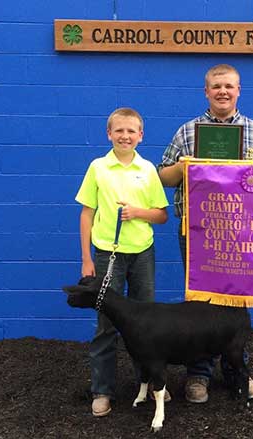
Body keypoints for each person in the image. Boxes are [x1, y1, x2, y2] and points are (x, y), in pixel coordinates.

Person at [158, 64, 253, 404]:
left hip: (241, 235)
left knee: (236, 307)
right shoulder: (188, 131)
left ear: (239, 90)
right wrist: (186, 166)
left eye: (229, 86)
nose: (223, 91)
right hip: (200, 234)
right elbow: (164, 176)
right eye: (216, 86)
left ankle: (235, 371)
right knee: (199, 305)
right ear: (206, 91)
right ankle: (198, 374)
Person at [75, 107, 169, 417]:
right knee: (106, 325)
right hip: (106, 254)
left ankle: (154, 384)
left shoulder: (148, 169)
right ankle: (102, 390)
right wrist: (87, 259)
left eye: (131, 131)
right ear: (109, 134)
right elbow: (86, 213)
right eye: (119, 131)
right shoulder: (98, 167)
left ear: (141, 136)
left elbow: (162, 215)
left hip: (142, 253)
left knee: (148, 325)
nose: (125, 136)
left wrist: (138, 213)